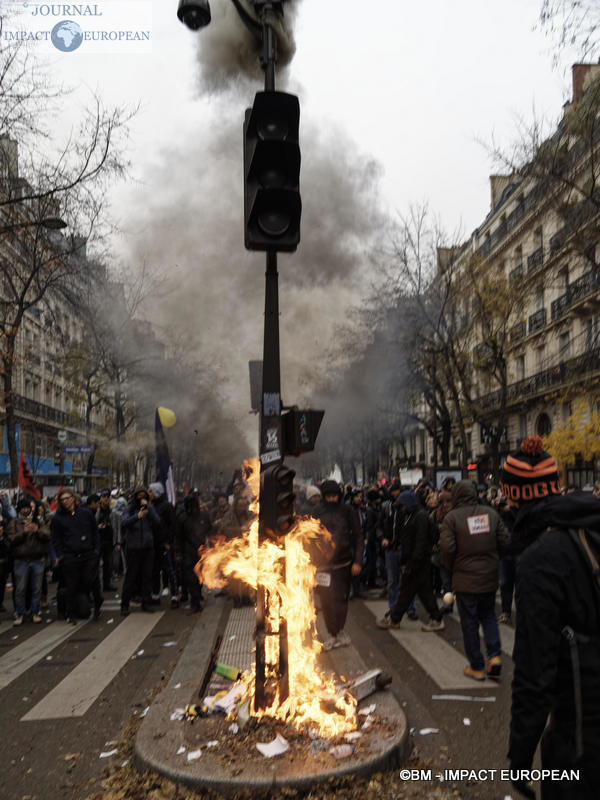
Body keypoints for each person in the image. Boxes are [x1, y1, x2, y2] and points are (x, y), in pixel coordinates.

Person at [500, 435, 600, 799]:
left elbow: (533, 671)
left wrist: (521, 756)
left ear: (515, 497)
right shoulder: (590, 525)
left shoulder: (540, 559)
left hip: (580, 736)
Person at [439, 479, 510, 681]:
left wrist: (453, 567)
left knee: (469, 623)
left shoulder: (451, 518)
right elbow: (505, 541)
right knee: (488, 616)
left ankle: (477, 666)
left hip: (464, 579)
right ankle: (494, 656)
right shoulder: (491, 513)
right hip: (488, 577)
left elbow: (447, 548)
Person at [376, 489, 444, 632]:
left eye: (402, 505)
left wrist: (411, 562)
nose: (401, 508)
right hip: (416, 561)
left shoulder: (420, 517)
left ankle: (396, 618)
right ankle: (433, 617)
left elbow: (420, 541)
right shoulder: (412, 515)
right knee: (418, 592)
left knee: (409, 591)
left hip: (418, 561)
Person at [314, 480, 363, 650]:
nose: (332, 499)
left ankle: (340, 630)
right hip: (323, 566)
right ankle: (332, 633)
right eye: (329, 496)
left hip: (343, 564)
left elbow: (358, 536)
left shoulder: (347, 511)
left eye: (335, 496)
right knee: (327, 601)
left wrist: (357, 561)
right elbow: (310, 538)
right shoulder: (317, 512)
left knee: (342, 599)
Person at [50, 489, 101, 623]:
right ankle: (70, 613)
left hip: (88, 553)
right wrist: (61, 555)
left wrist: (96, 550)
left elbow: (94, 531)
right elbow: (56, 539)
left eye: (67, 498)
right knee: (71, 585)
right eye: (63, 499)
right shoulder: (58, 518)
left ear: (73, 498)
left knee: (92, 581)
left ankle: (97, 608)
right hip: (70, 555)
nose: (65, 501)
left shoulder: (85, 513)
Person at [7, 498, 51, 625]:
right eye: (23, 508)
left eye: (27, 508)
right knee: (20, 589)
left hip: (37, 560)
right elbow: (11, 540)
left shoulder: (39, 521)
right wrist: (24, 533)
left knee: (36, 589)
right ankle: (20, 613)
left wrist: (37, 530)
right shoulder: (14, 523)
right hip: (21, 561)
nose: (26, 510)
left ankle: (35, 612)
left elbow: (47, 535)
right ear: (19, 510)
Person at [120, 486, 160, 616]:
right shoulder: (129, 509)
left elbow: (157, 521)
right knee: (131, 576)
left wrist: (148, 508)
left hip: (147, 547)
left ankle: (146, 602)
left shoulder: (150, 508)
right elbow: (124, 522)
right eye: (139, 496)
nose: (141, 498)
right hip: (133, 548)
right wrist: (137, 516)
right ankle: (124, 604)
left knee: (147, 576)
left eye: (144, 496)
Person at [176, 493, 212, 613]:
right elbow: (179, 537)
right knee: (191, 578)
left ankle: (197, 597)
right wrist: (179, 553)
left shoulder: (203, 516)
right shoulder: (183, 518)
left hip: (202, 552)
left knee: (199, 577)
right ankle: (194, 602)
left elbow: (210, 531)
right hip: (188, 552)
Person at [96, 490, 117, 592]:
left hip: (108, 540)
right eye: (104, 496)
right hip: (99, 540)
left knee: (108, 564)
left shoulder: (111, 511)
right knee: (96, 564)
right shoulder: (97, 510)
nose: (106, 499)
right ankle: (96, 585)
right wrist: (98, 527)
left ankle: (107, 584)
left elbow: (114, 526)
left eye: (108, 497)